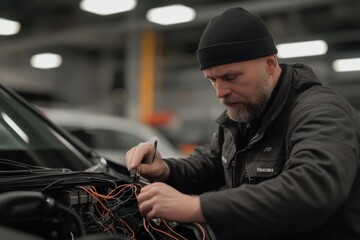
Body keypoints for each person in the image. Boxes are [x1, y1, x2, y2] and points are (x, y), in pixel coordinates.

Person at [125, 7, 360, 240]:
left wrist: (197, 207)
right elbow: (215, 163)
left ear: (269, 63)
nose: (220, 92)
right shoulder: (246, 111)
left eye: (230, 77)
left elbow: (311, 190)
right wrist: (166, 169)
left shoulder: (321, 112)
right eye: (212, 80)